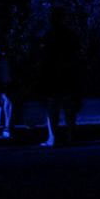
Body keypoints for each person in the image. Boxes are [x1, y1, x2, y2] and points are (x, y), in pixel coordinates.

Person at [35, 14, 84, 147]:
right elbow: (77, 55)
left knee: (53, 111)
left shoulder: (49, 36)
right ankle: (70, 137)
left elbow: (43, 58)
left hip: (54, 78)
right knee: (68, 110)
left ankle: (53, 138)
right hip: (67, 77)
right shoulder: (70, 36)